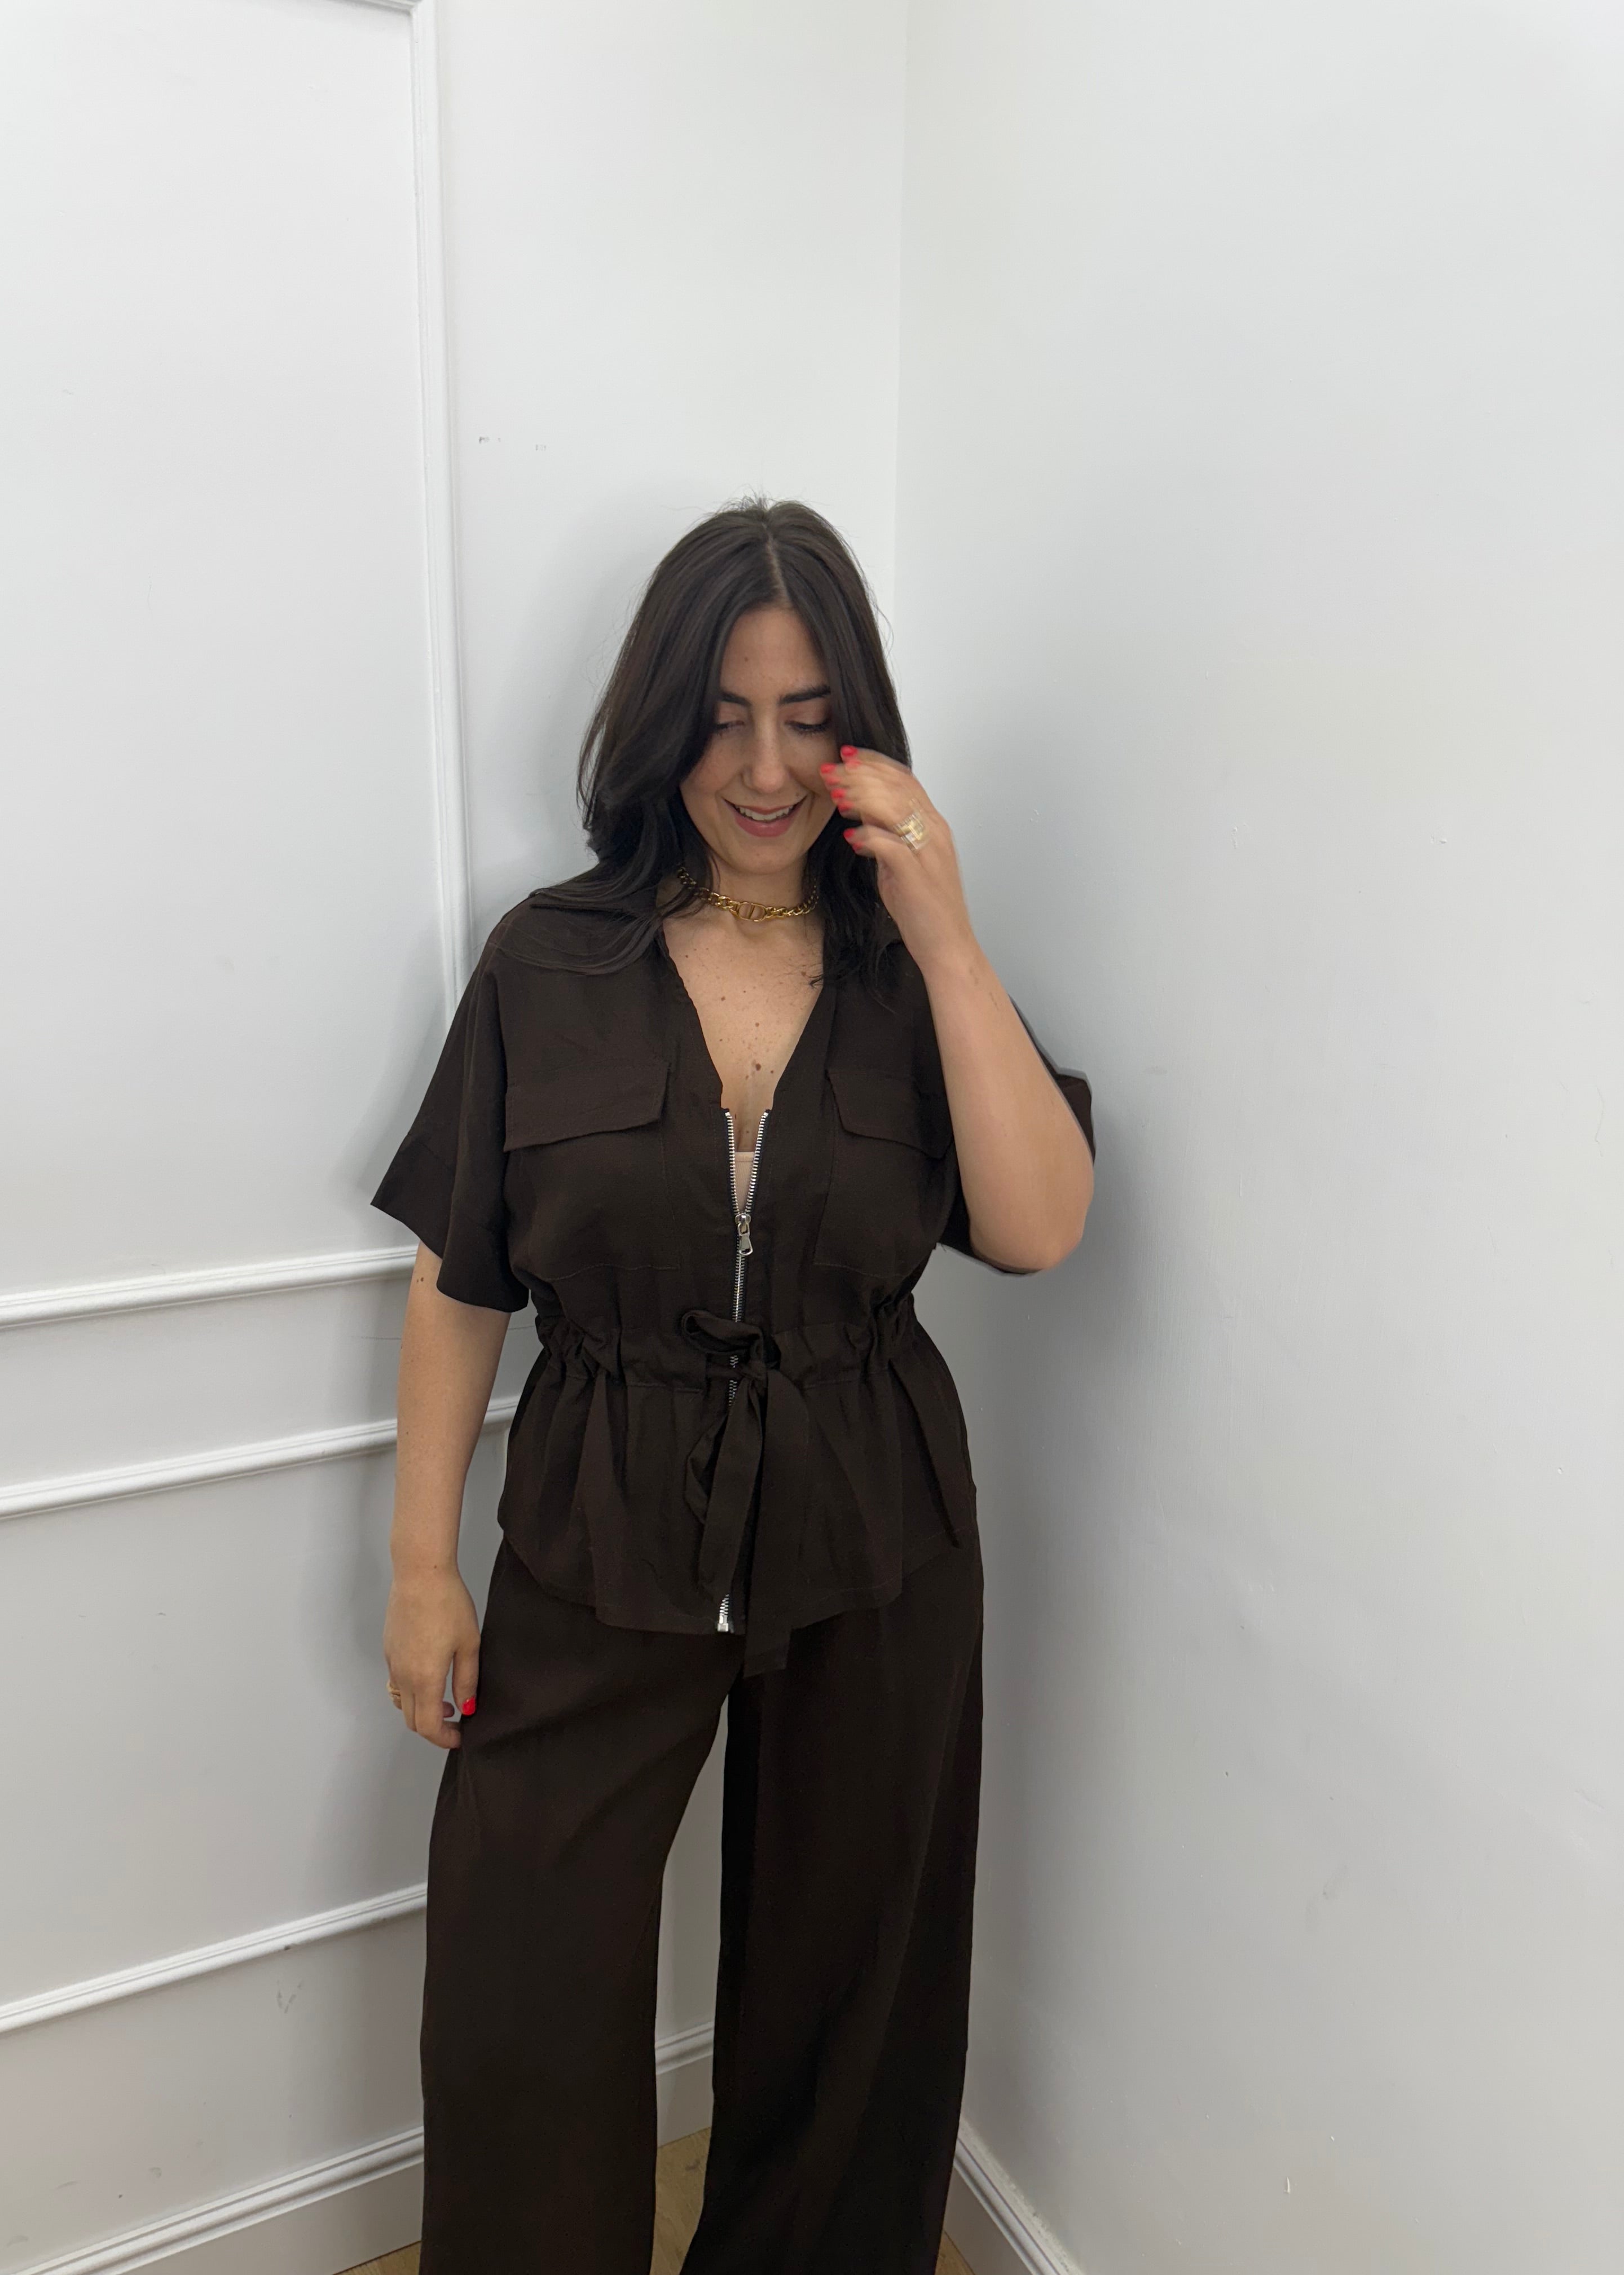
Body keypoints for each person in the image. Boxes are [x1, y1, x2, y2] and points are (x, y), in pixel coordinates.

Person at [371, 497, 1095, 2274]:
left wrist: (946, 934)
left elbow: (1039, 1228)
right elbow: (462, 1277)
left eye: (807, 717)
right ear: (659, 721)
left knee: (855, 1987)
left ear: (862, 735)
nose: (764, 769)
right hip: (599, 1511)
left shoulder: (913, 971)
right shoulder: (548, 958)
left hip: (876, 1518)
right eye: (722, 717)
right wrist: (420, 1564)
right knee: (525, 1977)